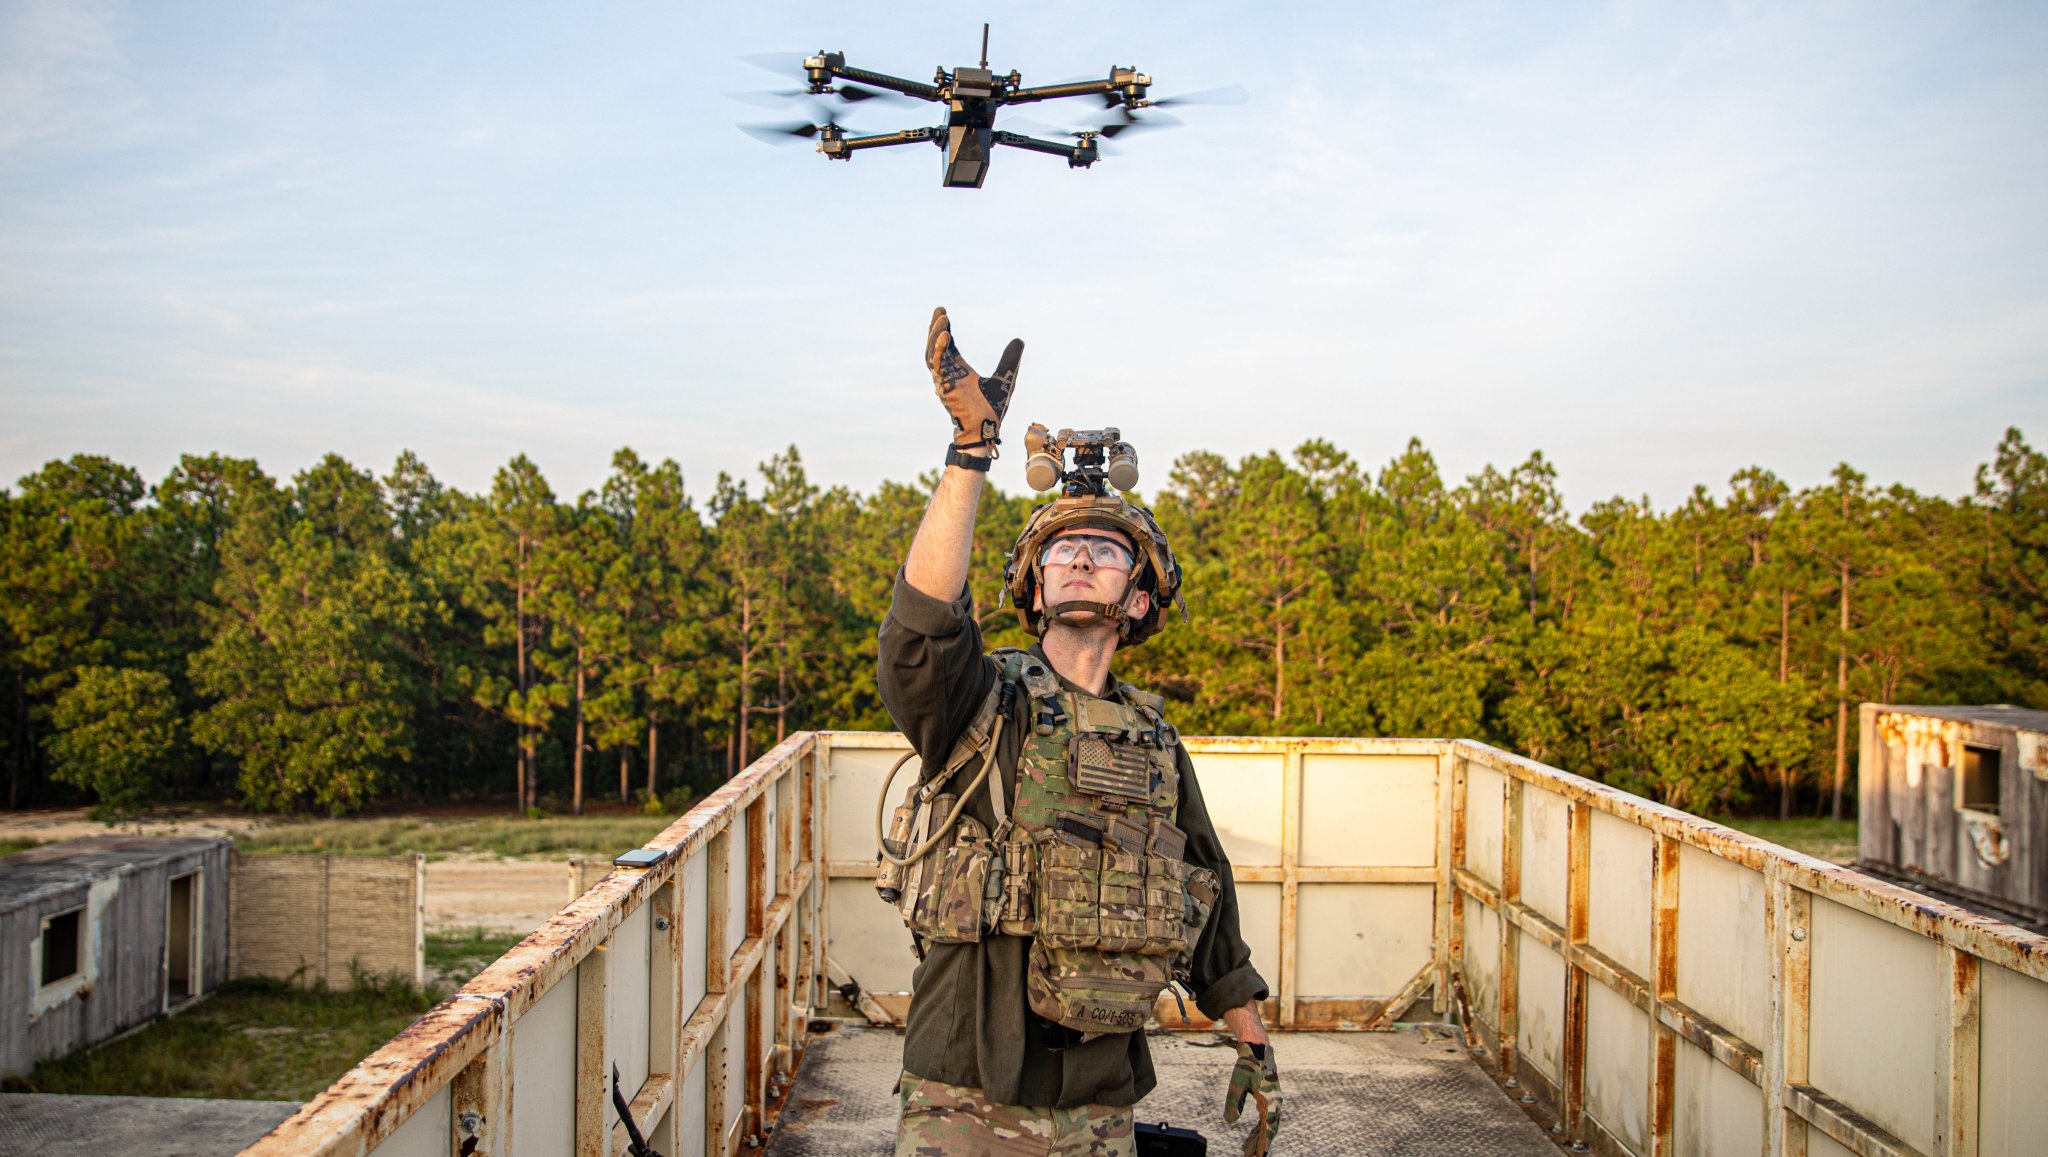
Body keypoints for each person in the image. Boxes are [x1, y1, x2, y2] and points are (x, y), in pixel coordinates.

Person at [874, 307, 1283, 1156]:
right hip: (967, 1083)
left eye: (1105, 548)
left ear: (1139, 598)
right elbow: (919, 629)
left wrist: (1250, 1032)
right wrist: (970, 453)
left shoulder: (1153, 740)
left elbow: (1202, 885)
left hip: (1100, 1093)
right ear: (1033, 589)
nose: (1081, 557)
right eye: (1062, 551)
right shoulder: (983, 704)